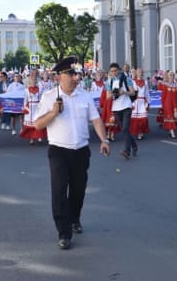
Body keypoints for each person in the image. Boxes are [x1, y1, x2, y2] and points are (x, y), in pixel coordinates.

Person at [33, 56, 110, 250]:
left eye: (77, 74)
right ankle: (64, 233)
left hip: (81, 151)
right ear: (60, 76)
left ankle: (75, 218)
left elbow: (96, 119)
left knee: (78, 190)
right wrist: (53, 113)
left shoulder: (84, 96)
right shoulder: (49, 97)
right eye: (71, 74)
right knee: (59, 191)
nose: (76, 78)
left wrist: (103, 140)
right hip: (58, 150)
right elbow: (37, 124)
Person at [106, 62, 138, 159]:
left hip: (126, 106)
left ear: (119, 70)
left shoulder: (126, 79)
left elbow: (133, 93)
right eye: (111, 71)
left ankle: (126, 151)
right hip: (116, 108)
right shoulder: (109, 82)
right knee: (124, 130)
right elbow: (107, 97)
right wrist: (113, 93)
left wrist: (124, 92)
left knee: (125, 128)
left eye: (115, 70)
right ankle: (134, 146)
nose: (114, 73)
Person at [19, 73, 47, 144]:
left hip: (38, 107)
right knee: (30, 125)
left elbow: (42, 99)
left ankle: (39, 136)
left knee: (38, 122)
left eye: (35, 81)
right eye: (32, 81)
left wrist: (43, 107)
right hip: (30, 108)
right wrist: (25, 108)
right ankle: (31, 138)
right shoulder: (26, 90)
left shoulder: (40, 90)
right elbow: (25, 101)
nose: (34, 82)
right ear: (29, 82)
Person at [130, 68, 150, 140]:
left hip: (143, 101)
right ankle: (138, 132)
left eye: (141, 72)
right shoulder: (133, 82)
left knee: (143, 118)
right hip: (136, 101)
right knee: (136, 119)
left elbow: (147, 92)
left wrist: (148, 102)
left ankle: (141, 131)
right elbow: (131, 93)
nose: (140, 73)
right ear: (136, 73)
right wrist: (131, 103)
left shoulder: (145, 82)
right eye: (139, 72)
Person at [160, 70, 177, 138]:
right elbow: (163, 96)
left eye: (172, 75)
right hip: (168, 103)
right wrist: (163, 106)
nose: (171, 76)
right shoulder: (165, 85)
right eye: (170, 75)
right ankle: (172, 132)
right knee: (170, 117)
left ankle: (170, 130)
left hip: (175, 103)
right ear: (168, 76)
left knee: (174, 117)